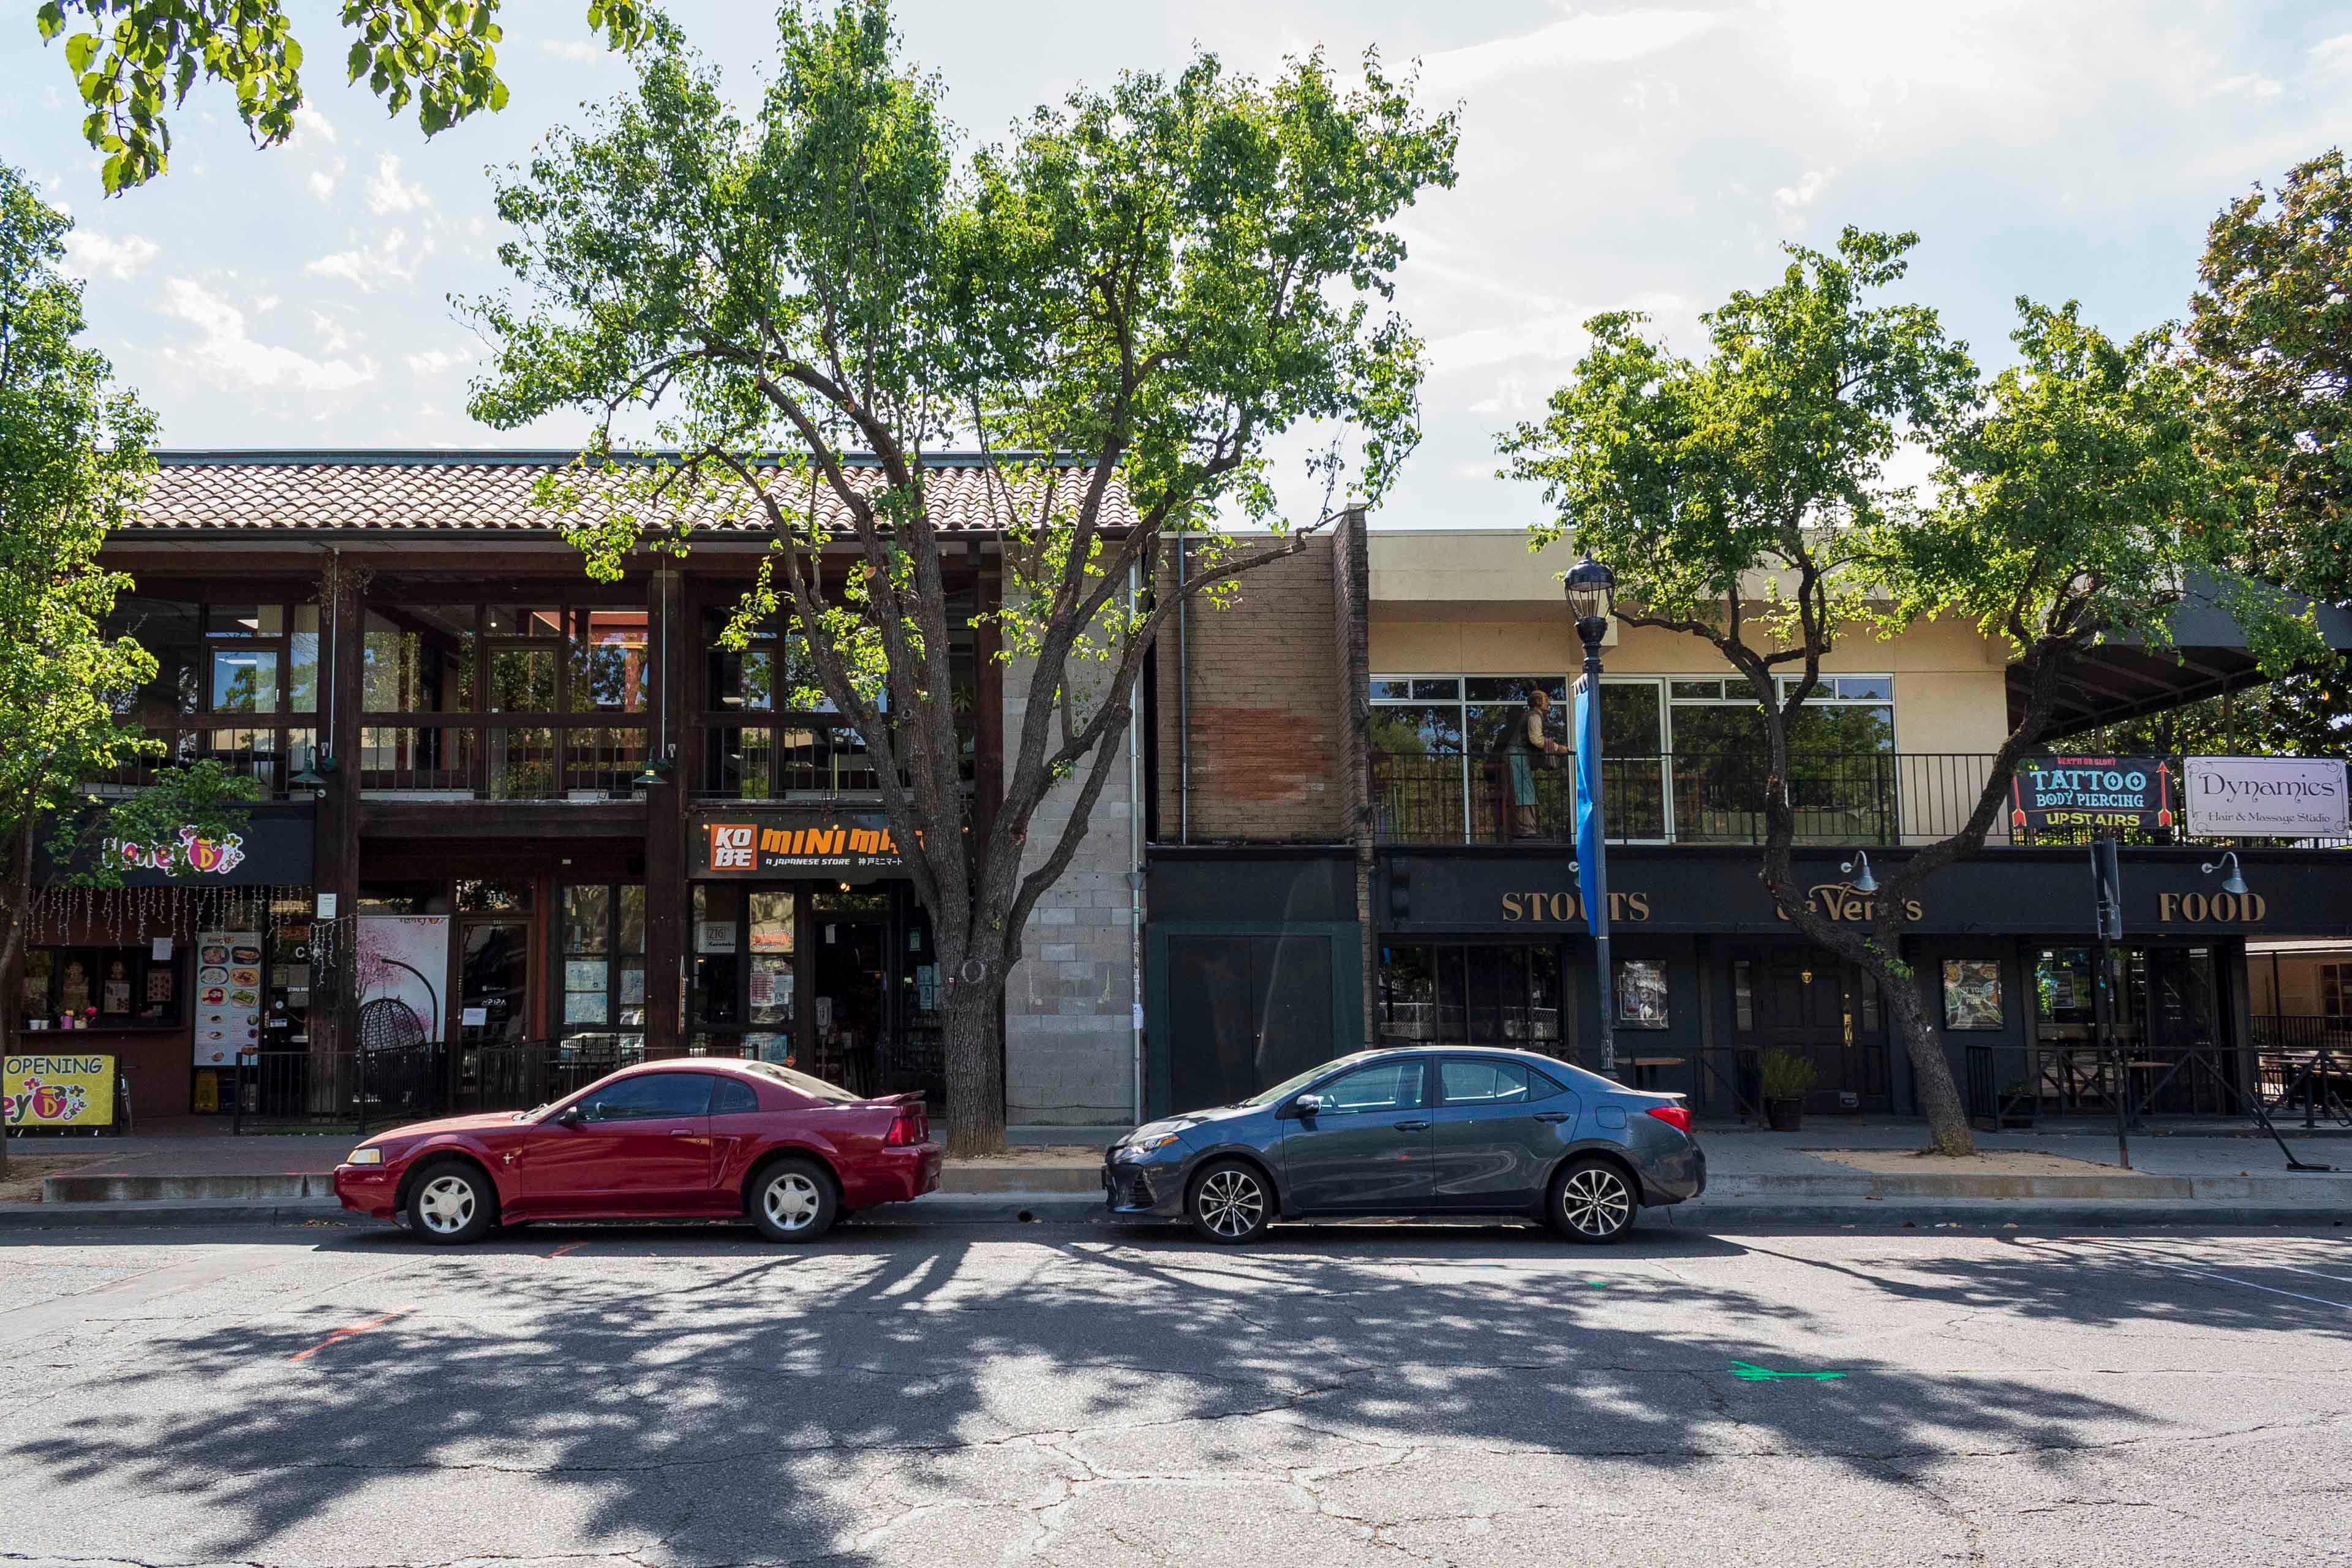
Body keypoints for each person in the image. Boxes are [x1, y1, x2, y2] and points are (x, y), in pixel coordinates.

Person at [1504, 684, 1569, 838]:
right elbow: (1536, 739)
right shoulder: (1534, 716)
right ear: (1538, 701)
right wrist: (1557, 748)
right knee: (1523, 794)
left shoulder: (1534, 716)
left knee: (1525, 793)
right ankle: (1527, 831)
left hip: (1518, 757)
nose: (1549, 703)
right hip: (1516, 758)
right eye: (1546, 699)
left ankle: (1528, 829)